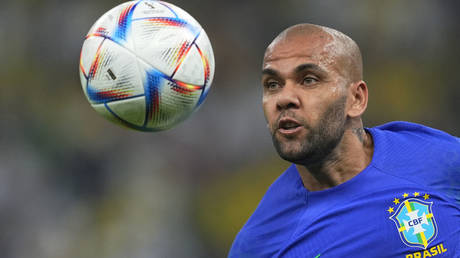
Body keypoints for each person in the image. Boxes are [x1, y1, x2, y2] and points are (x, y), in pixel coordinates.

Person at [228, 23, 460, 258]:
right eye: (272, 85)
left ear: (356, 99)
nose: (284, 98)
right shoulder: (261, 244)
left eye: (308, 80)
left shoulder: (440, 161)